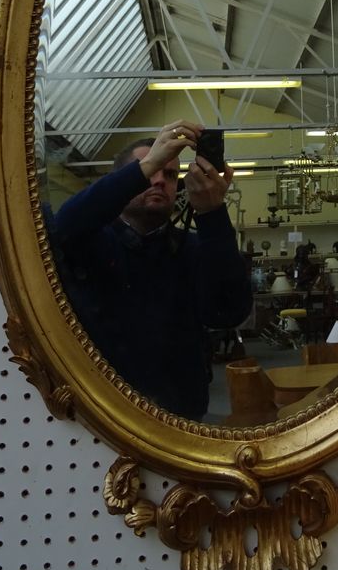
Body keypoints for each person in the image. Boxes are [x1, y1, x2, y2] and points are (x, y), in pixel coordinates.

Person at [50, 121, 252, 420]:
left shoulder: (191, 247)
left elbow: (228, 311)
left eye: (170, 175)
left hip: (182, 415)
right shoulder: (90, 241)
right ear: (124, 179)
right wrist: (143, 169)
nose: (159, 180)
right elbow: (61, 228)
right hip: (100, 409)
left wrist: (213, 214)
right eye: (150, 171)